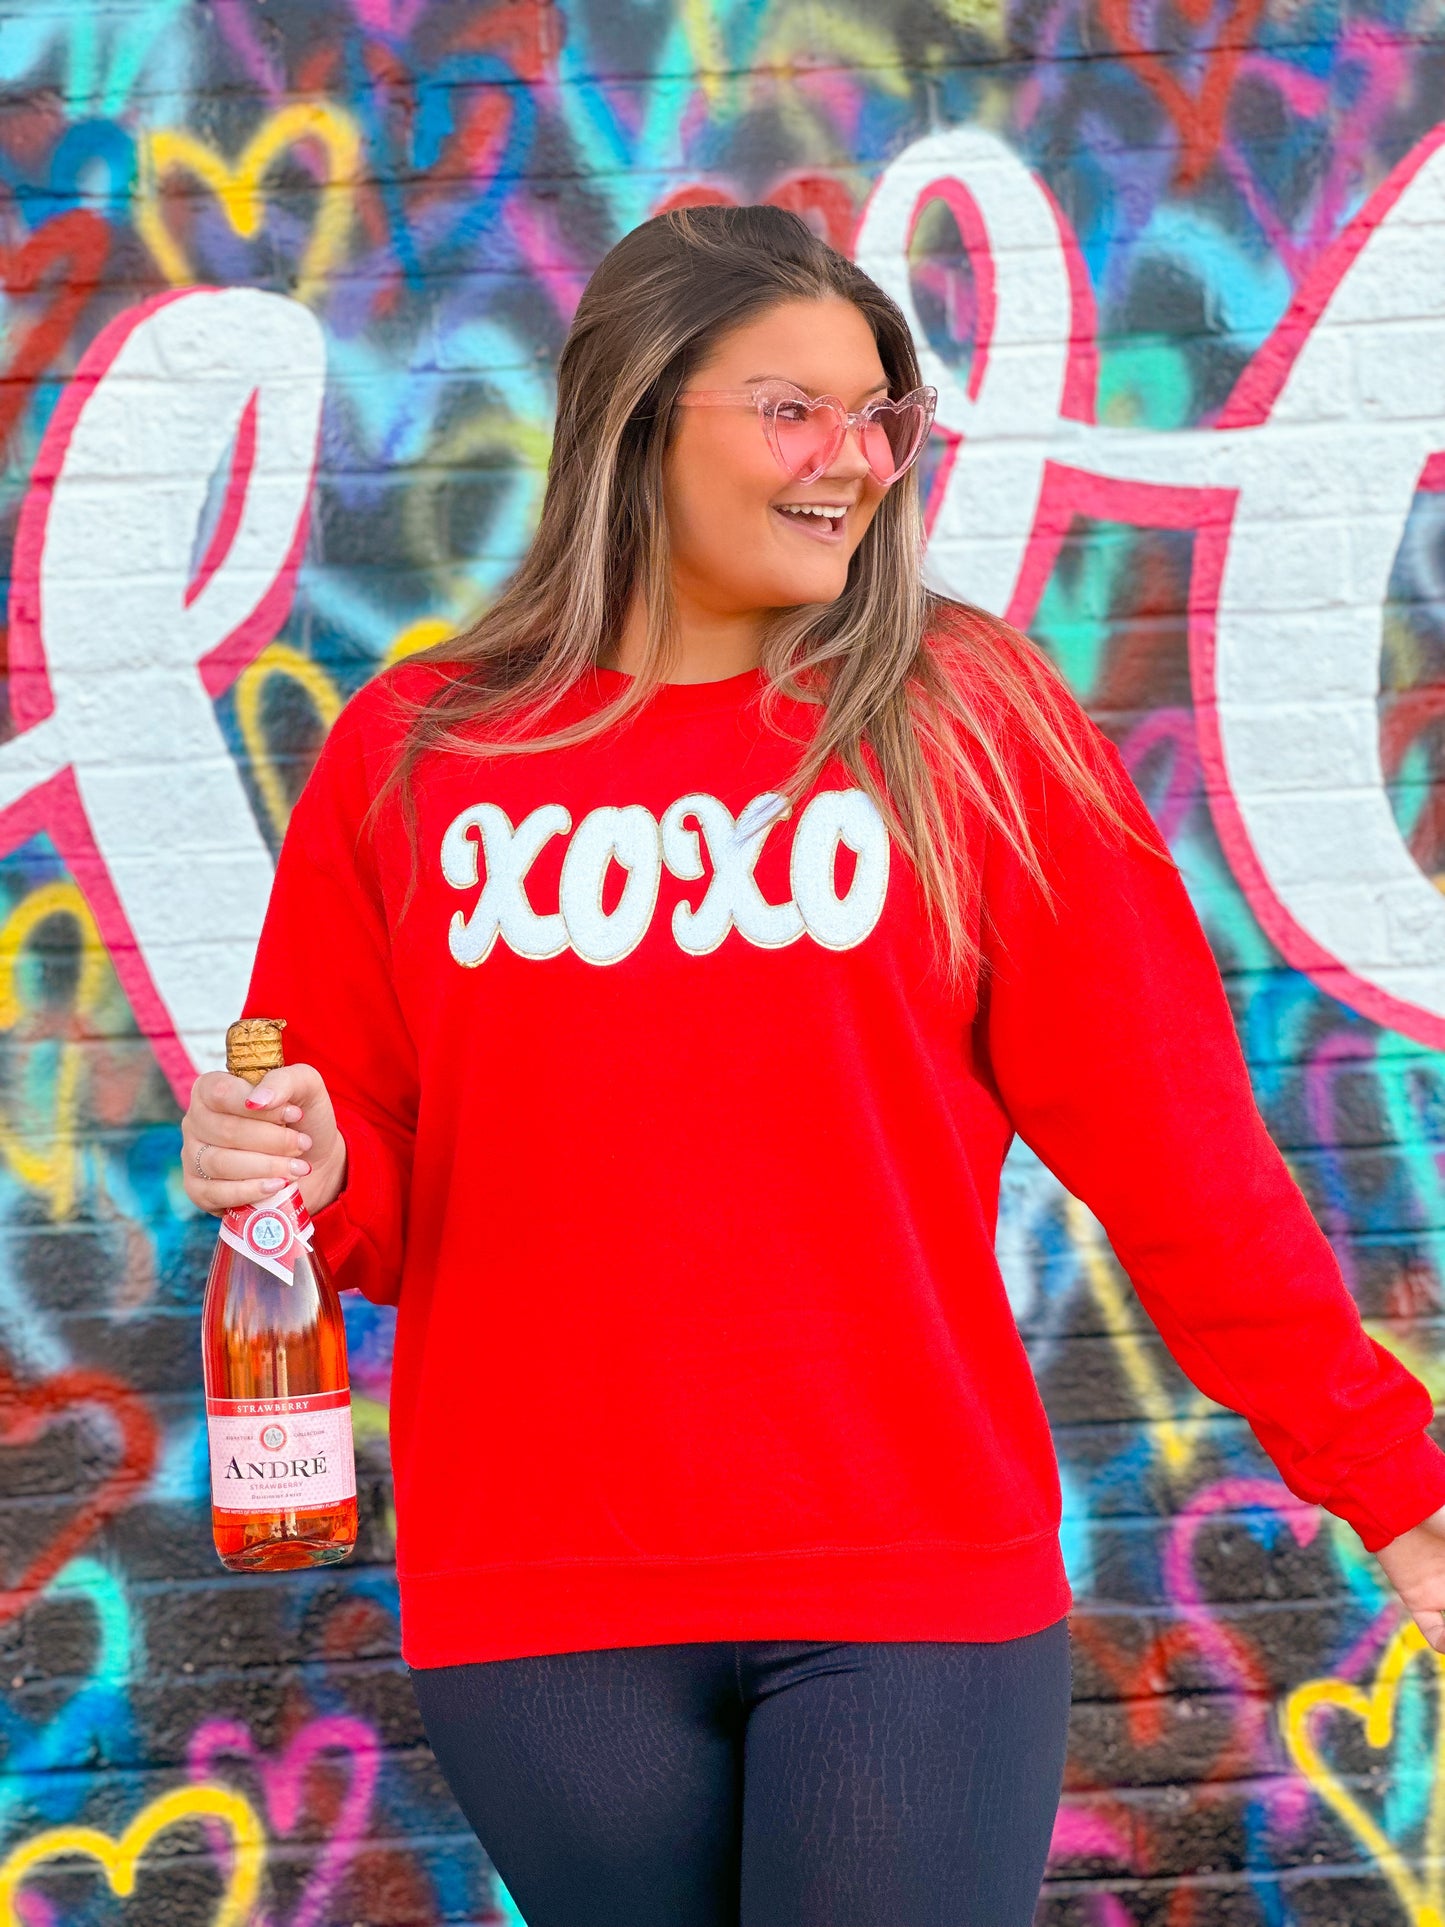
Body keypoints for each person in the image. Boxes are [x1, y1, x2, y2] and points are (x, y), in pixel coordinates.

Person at [179, 204, 1445, 1927]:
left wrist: (1388, 1478)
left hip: (910, 1575)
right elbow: (365, 1204)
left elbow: (1180, 1162)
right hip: (544, 1596)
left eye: (879, 417)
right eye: (792, 411)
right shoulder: (418, 753)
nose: (852, 461)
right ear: (633, 420)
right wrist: (302, 1172)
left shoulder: (964, 724)